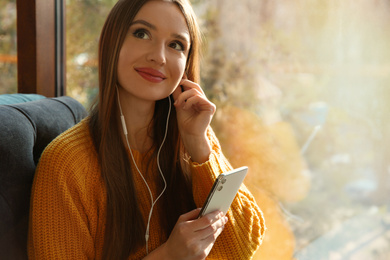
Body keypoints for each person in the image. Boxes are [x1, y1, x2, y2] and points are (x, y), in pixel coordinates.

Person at [28, 0, 265, 259]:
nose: (159, 57)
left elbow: (243, 244)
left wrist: (198, 145)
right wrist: (169, 255)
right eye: (142, 33)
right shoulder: (66, 163)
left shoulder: (194, 137)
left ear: (186, 64)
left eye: (176, 45)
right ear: (112, 42)